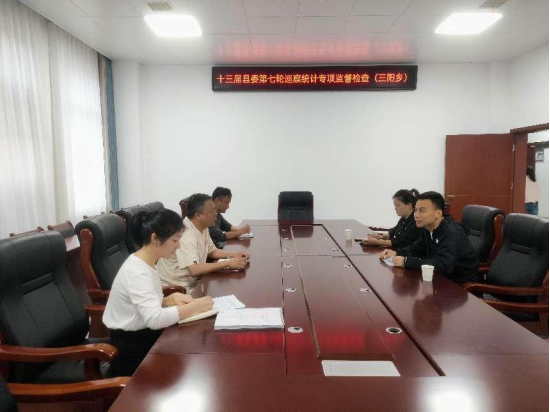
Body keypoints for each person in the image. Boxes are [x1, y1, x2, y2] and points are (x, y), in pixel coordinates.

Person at [103, 209, 214, 377]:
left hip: (144, 335)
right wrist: (196, 306)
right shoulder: (137, 272)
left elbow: (145, 303)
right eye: (175, 240)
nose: (178, 246)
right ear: (155, 238)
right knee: (192, 364)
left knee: (194, 354)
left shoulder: (146, 262)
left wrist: (169, 300)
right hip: (132, 349)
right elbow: (154, 319)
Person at [158, 194, 250, 294]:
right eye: (211, 211)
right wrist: (228, 263)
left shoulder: (203, 226)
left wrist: (235, 255)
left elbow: (212, 251)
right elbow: (194, 270)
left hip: (196, 281)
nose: (216, 213)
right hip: (179, 288)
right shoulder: (186, 235)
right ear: (198, 215)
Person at [380, 191, 479, 284]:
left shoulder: (451, 232)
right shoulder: (428, 228)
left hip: (461, 285)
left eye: (422, 211)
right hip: (439, 279)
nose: (416, 215)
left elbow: (444, 265)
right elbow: (416, 248)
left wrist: (406, 261)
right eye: (415, 210)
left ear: (438, 213)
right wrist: (396, 252)